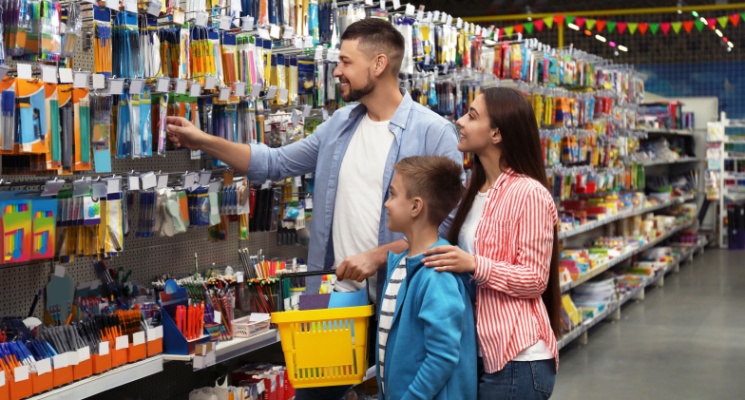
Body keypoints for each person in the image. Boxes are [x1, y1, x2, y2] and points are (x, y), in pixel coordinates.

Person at [165, 18, 462, 399]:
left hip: (399, 300)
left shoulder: (433, 132)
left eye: (345, 61)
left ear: (379, 64)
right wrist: (201, 139)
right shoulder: (339, 125)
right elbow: (273, 163)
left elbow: (448, 230)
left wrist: (380, 255)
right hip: (334, 299)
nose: (336, 70)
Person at [421, 87, 562, 400]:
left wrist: (474, 264)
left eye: (472, 116)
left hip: (518, 359)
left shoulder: (530, 193)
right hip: (480, 352)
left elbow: (535, 279)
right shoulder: (475, 191)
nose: (459, 121)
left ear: (497, 133)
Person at [378, 155, 476, 400]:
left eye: (393, 194)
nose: (387, 204)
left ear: (415, 206)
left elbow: (442, 356)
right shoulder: (401, 264)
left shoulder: (436, 274)